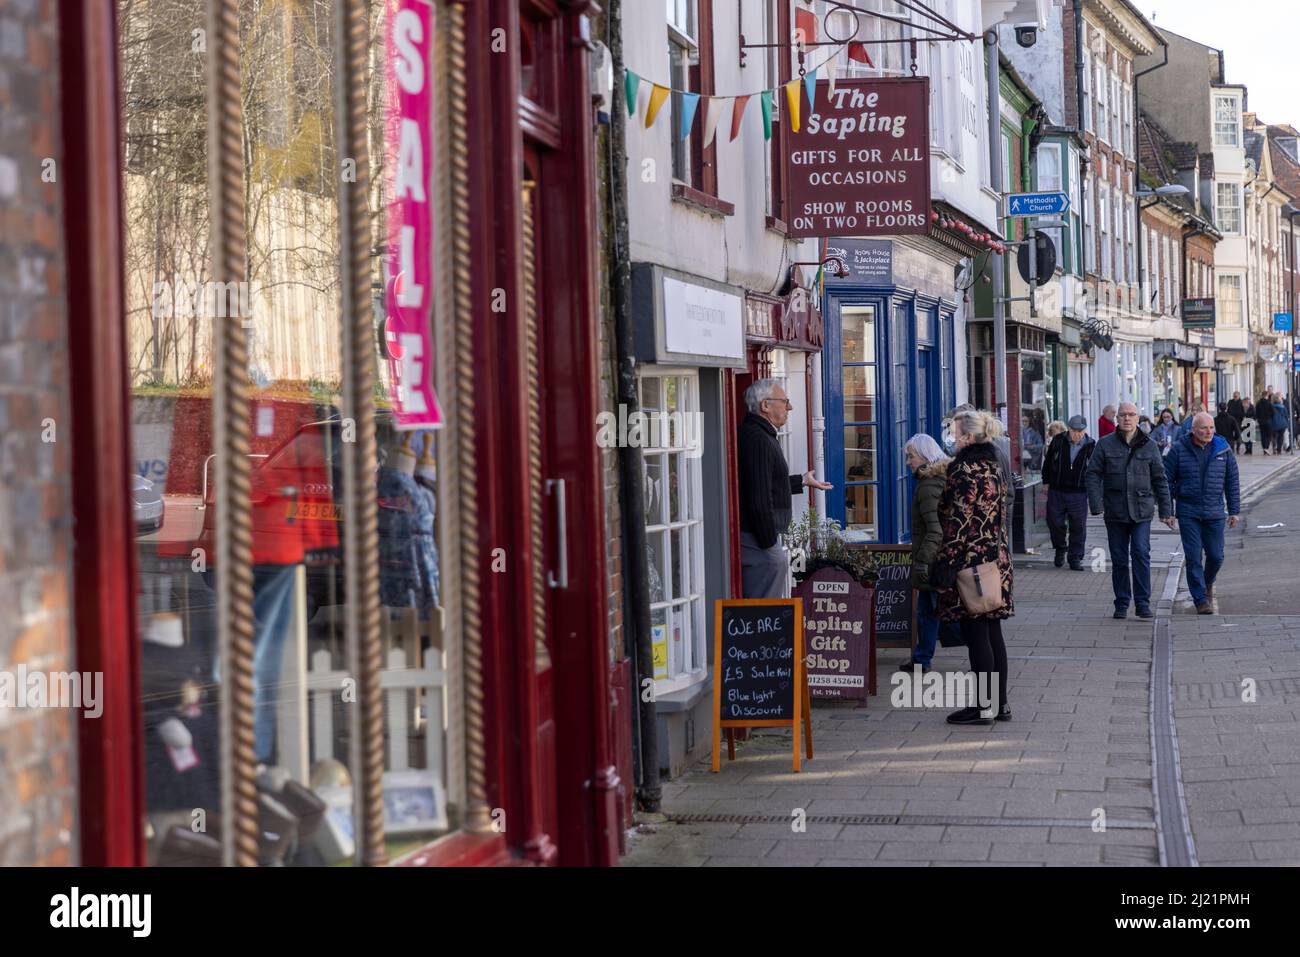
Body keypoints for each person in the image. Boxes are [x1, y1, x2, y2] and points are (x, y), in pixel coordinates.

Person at [931, 410, 1013, 725]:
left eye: (953, 431)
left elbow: (958, 521)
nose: (950, 437)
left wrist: (946, 564)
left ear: (967, 437)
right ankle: (1000, 704)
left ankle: (983, 707)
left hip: (971, 561)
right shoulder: (993, 464)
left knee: (976, 633)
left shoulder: (964, 469)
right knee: (993, 631)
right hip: (996, 556)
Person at [737, 379, 832, 598]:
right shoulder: (758, 439)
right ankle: (761, 632)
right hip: (755, 537)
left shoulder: (760, 434)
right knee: (770, 584)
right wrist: (770, 544)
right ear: (765, 406)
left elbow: (766, 484)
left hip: (757, 536)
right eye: (784, 401)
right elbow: (758, 498)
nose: (789, 407)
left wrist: (802, 481)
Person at [1085, 401, 1173, 620]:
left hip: (1142, 510)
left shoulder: (1149, 445)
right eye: (1123, 415)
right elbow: (1093, 473)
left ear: (1138, 418)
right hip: (1115, 510)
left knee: (1141, 553)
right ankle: (1122, 602)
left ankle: (1143, 603)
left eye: (1131, 415)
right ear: (1117, 419)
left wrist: (1166, 510)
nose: (1127, 418)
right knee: (1119, 558)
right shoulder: (1105, 444)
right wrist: (1096, 505)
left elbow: (1160, 479)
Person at [1164, 412, 1241, 614]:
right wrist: (1168, 511)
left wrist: (1234, 511)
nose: (1208, 432)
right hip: (1189, 512)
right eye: (1204, 428)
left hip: (1215, 512)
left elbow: (1232, 481)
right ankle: (1200, 599)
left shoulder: (1223, 449)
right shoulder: (1179, 450)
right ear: (1193, 430)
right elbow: (1165, 481)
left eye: (1211, 428)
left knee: (1216, 556)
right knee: (1193, 557)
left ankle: (1207, 582)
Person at [898, 434, 961, 673]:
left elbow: (935, 530)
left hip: (934, 559)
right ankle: (921, 659)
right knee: (928, 610)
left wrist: (923, 562)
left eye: (910, 456)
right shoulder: (939, 479)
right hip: (941, 557)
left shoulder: (928, 486)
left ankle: (923, 659)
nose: (908, 462)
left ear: (924, 456)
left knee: (934, 611)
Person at [1042, 414, 1095, 570]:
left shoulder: (1091, 445)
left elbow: (1095, 470)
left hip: (1079, 491)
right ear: (1069, 429)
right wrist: (1046, 482)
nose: (1077, 434)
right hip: (1057, 490)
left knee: (1078, 526)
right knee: (1054, 523)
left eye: (1080, 431)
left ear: (1085, 430)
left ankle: (1075, 558)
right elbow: (1048, 462)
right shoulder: (1058, 441)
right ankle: (1060, 548)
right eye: (1074, 430)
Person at [1257, 387, 1274, 454]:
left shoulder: (1258, 403)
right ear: (1266, 395)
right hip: (1268, 421)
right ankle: (1266, 447)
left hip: (1261, 421)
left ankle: (1264, 447)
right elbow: (1273, 412)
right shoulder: (1269, 403)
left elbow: (1256, 412)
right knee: (1269, 435)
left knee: (1263, 435)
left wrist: (1258, 419)